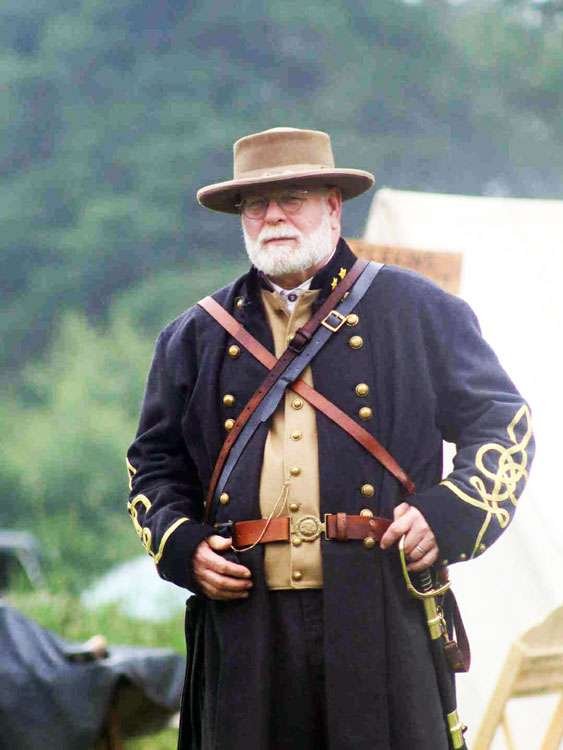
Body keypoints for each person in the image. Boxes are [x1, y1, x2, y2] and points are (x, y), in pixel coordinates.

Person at [126, 127, 534, 749]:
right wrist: (183, 545)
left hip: (380, 603)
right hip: (245, 620)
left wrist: (448, 511)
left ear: (333, 206)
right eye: (256, 204)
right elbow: (153, 465)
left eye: (292, 198)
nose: (273, 217)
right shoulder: (194, 336)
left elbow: (502, 422)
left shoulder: (418, 309)